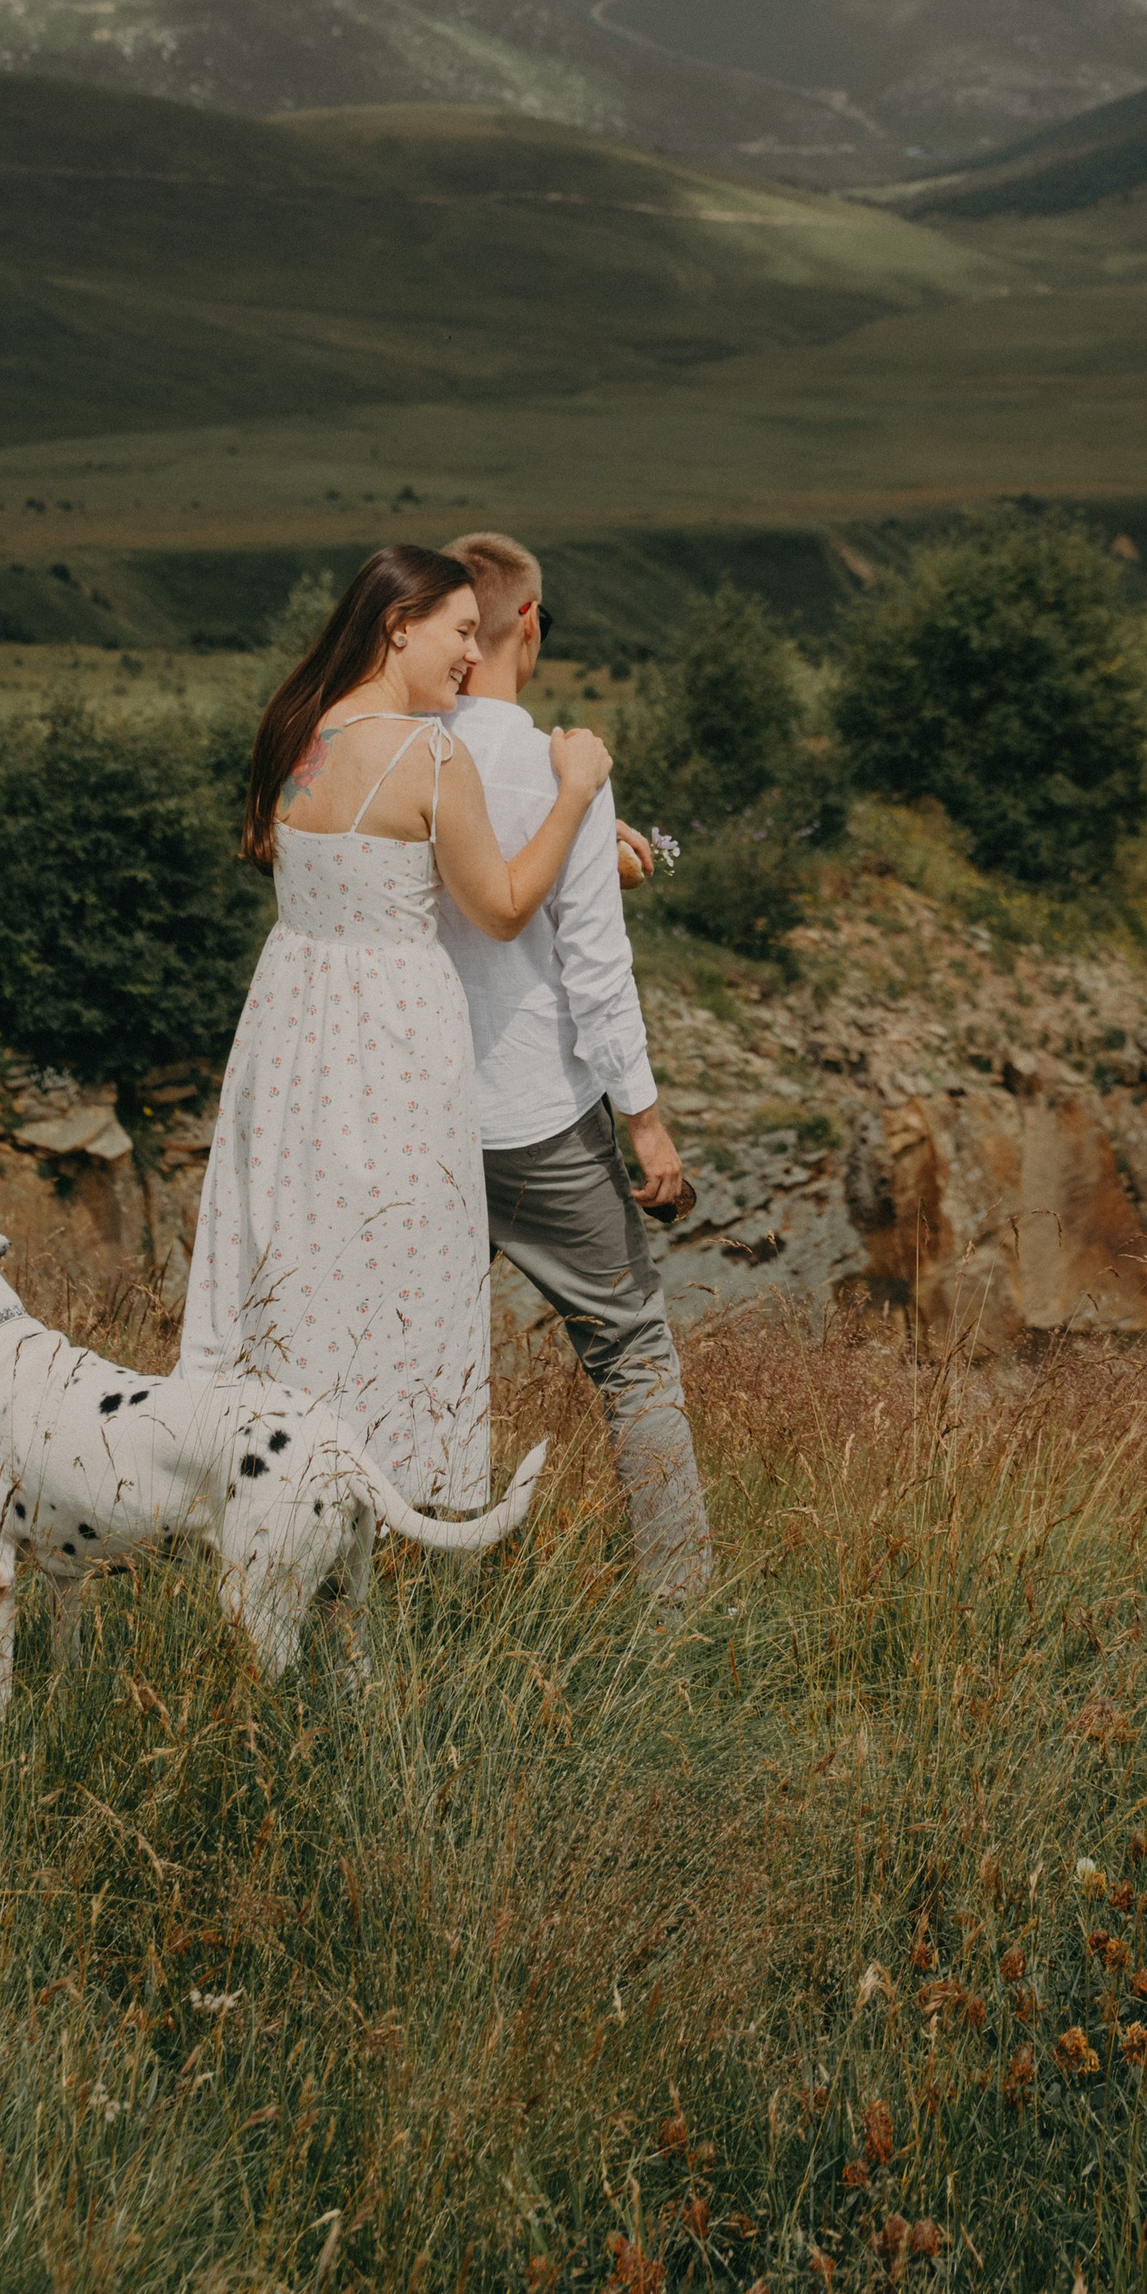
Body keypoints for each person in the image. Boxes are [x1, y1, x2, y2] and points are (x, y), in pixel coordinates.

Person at [179, 544, 613, 1519]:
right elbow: (499, 904)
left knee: (296, 1265)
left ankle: (270, 1487)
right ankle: (380, 1507)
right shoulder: (428, 752)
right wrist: (577, 792)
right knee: (395, 1273)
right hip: (391, 1042)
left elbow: (305, 854)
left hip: (290, 1028)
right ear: (397, 624)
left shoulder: (298, 729)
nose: (472, 652)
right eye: (460, 630)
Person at [437, 529, 713, 1607]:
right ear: (530, 625)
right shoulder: (566, 766)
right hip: (540, 1120)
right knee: (635, 1355)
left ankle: (396, 1582)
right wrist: (644, 1124)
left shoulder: (397, 750)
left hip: (420, 1113)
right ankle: (680, 1614)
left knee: (411, 1353)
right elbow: (595, 974)